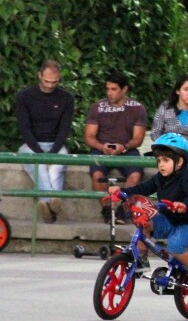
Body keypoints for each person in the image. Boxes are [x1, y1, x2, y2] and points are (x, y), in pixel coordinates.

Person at [108, 133, 188, 293]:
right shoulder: (160, 178)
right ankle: (142, 260)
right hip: (168, 219)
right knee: (144, 222)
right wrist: (122, 191)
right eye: (159, 160)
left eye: (166, 161)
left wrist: (184, 204)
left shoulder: (186, 178)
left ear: (179, 162)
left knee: (174, 245)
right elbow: (141, 189)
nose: (161, 165)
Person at [84, 72, 148, 224]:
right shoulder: (97, 107)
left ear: (124, 89)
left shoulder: (138, 108)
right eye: (107, 89)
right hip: (101, 150)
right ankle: (107, 210)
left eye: (114, 89)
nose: (109, 93)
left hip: (127, 150)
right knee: (97, 174)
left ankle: (122, 210)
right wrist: (102, 146)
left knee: (135, 176)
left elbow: (138, 139)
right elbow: (89, 136)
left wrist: (123, 147)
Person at [15, 60, 74, 223]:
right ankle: (53, 200)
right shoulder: (24, 97)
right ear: (39, 75)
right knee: (39, 166)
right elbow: (24, 128)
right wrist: (40, 154)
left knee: (56, 168)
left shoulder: (66, 98)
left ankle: (46, 203)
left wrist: (53, 152)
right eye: (46, 81)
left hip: (56, 144)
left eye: (54, 82)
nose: (49, 85)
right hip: (31, 144)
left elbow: (64, 129)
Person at [151, 74, 188, 159]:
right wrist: (169, 144)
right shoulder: (165, 107)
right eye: (186, 89)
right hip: (166, 148)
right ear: (178, 91)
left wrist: (181, 144)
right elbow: (155, 133)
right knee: (167, 155)